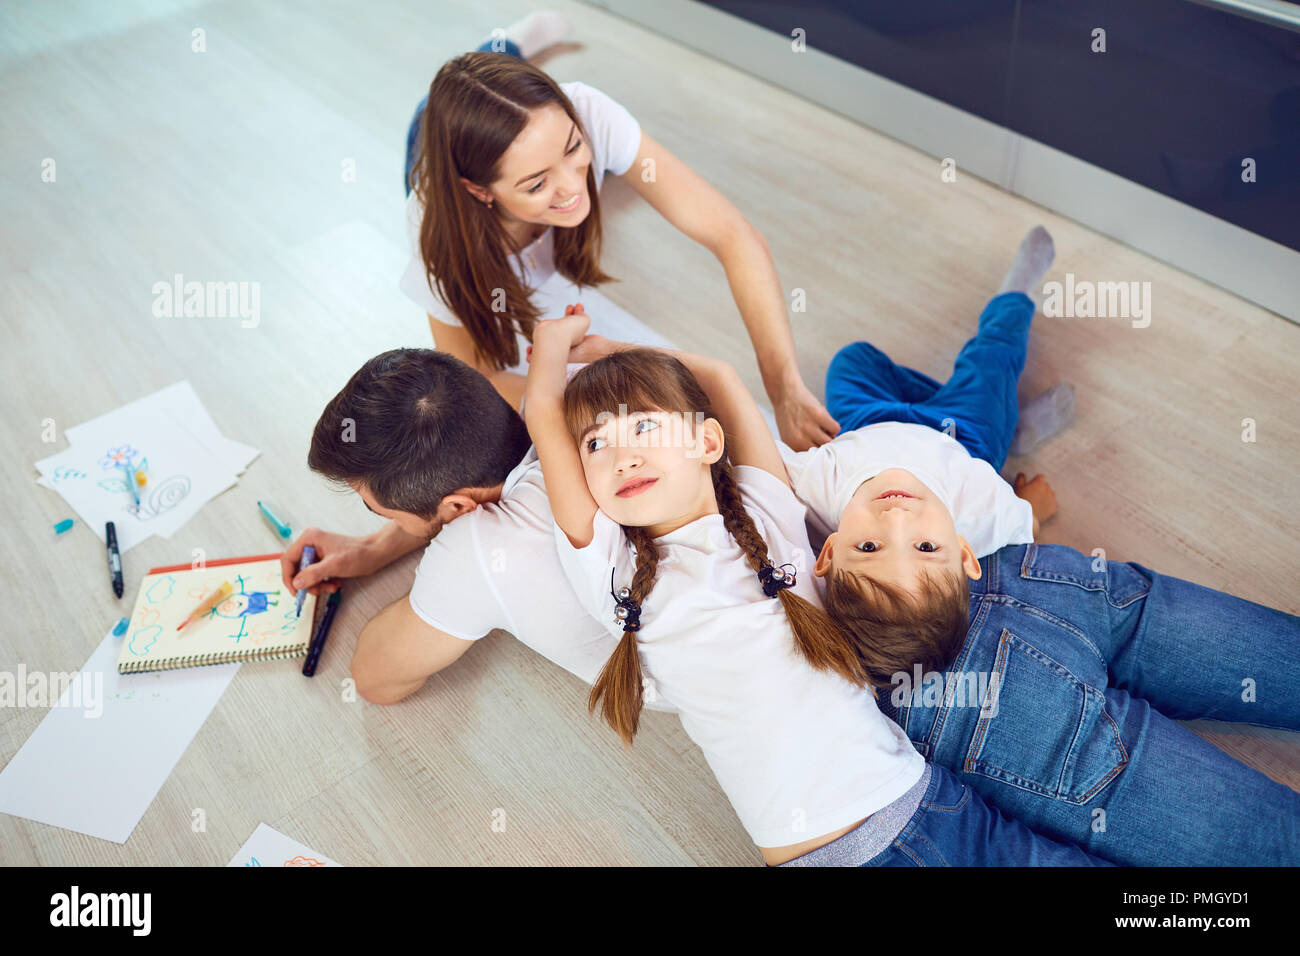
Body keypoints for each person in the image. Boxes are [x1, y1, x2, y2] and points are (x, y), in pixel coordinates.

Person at [519, 306, 1106, 865]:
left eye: (644, 426)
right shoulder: (612, 572)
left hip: (924, 798)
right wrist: (550, 346)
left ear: (707, 443)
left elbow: (719, 377)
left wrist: (593, 349)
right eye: (596, 444)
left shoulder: (765, 513)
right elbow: (543, 409)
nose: (622, 456)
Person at [400, 12, 839, 450]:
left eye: (575, 147)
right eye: (536, 183)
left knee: (500, 88)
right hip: (434, 151)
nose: (573, 185)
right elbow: (478, 381)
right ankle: (504, 49)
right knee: (428, 114)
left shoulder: (589, 112)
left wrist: (784, 391)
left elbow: (732, 234)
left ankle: (507, 51)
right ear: (479, 190)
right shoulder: (437, 235)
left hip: (512, 137)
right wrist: (601, 393)